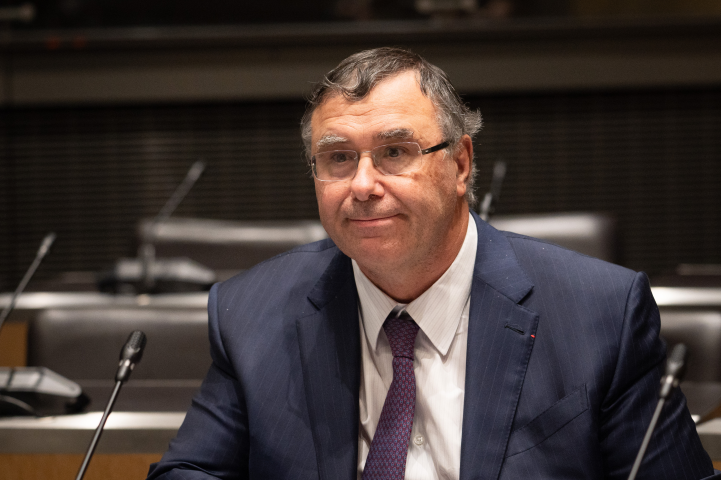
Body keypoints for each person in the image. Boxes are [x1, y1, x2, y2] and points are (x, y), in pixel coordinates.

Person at [147, 47, 717, 480]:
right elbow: (189, 472)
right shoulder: (251, 313)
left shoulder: (599, 315)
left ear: (461, 163)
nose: (363, 185)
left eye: (395, 152)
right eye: (338, 158)